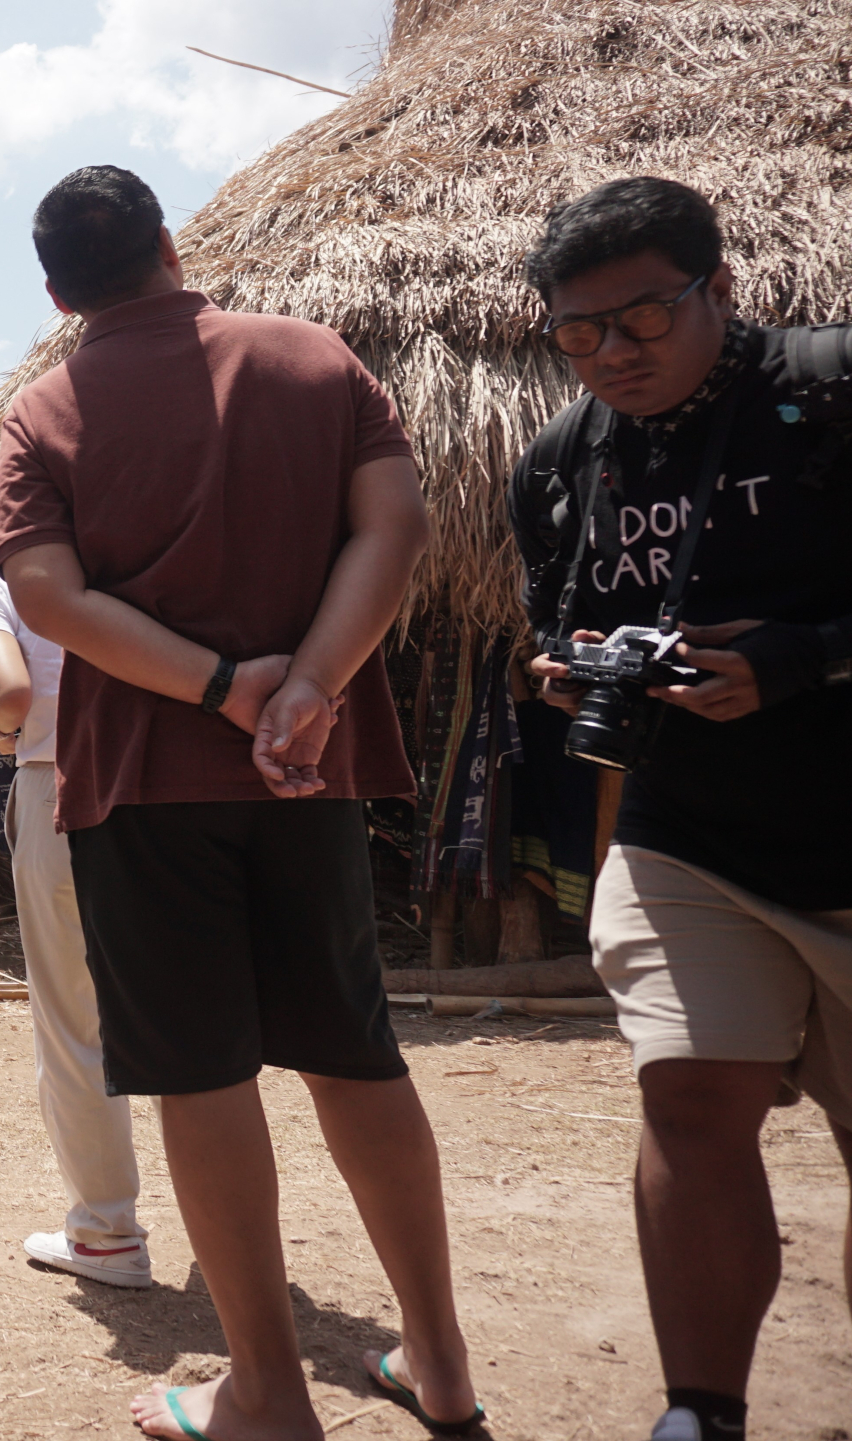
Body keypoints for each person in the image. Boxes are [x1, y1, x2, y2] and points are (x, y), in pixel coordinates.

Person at [0, 167, 476, 1440]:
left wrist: (216, 687)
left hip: (141, 785)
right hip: (310, 768)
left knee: (200, 1075)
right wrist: (304, 687)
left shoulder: (42, 413)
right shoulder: (316, 360)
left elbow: (42, 596)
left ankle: (263, 1391)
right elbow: (399, 525)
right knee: (353, 1054)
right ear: (168, 242)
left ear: (54, 291)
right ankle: (437, 1362)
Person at [509, 178, 852, 1441]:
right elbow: (553, 616)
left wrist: (803, 654)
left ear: (719, 285)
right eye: (577, 332)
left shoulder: (829, 391)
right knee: (690, 1099)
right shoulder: (560, 462)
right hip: (686, 836)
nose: (609, 355)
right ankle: (698, 1416)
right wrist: (568, 665)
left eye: (642, 318)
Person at [0, 518, 153, 1289]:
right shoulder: (132, 570)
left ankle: (107, 1232)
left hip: (60, 785)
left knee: (73, 1020)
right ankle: (237, 1235)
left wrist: (4, 736)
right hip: (160, 792)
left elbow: (12, 688)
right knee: (184, 1008)